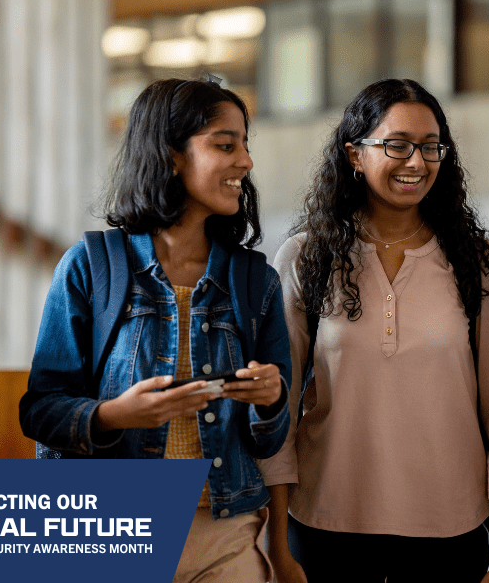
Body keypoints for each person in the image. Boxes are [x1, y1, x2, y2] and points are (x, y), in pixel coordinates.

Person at [19, 77, 291, 582]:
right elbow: (40, 410)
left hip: (226, 532)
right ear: (170, 156)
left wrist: (272, 399)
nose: (246, 162)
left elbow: (272, 439)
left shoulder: (258, 282)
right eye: (225, 145)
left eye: (245, 146)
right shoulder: (91, 266)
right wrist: (116, 415)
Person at [260, 78, 489, 583]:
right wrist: (277, 547)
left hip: (452, 528)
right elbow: (280, 408)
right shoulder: (305, 258)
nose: (417, 162)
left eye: (430, 147)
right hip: (325, 526)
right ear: (354, 155)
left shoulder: (476, 262)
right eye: (397, 145)